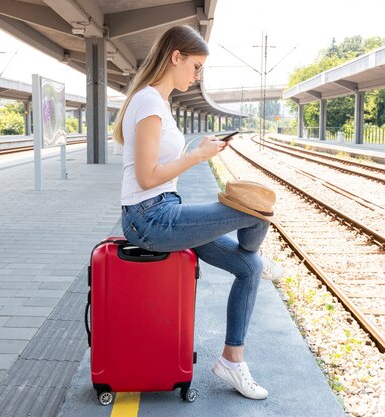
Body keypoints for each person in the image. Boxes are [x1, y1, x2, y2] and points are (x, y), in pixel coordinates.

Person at [113, 25, 283, 400]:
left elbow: (157, 166)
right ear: (176, 57)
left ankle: (231, 361)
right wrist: (197, 156)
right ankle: (257, 251)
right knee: (256, 211)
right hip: (150, 219)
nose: (197, 75)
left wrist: (198, 148)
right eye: (196, 66)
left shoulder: (157, 101)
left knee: (248, 269)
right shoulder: (149, 102)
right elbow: (145, 178)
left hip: (162, 211)